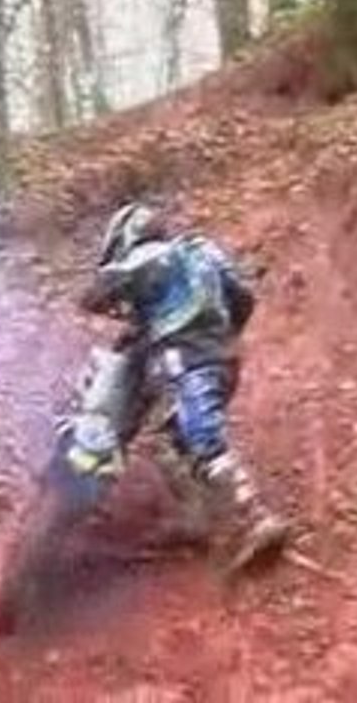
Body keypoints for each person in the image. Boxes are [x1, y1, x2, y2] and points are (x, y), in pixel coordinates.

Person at [78, 201, 289, 573]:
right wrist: (220, 331)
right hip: (222, 356)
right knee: (167, 438)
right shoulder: (202, 251)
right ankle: (197, 517)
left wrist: (99, 297)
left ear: (129, 235)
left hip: (185, 357)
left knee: (202, 436)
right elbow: (243, 297)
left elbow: (103, 287)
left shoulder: (153, 254)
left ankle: (255, 518)